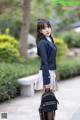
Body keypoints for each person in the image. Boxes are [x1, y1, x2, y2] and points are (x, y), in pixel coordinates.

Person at [34, 19, 58, 92]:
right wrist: (47, 78)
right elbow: (44, 61)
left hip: (51, 71)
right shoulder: (42, 43)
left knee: (49, 98)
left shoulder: (49, 40)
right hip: (46, 72)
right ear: (40, 31)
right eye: (44, 28)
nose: (47, 30)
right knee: (46, 98)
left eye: (48, 27)